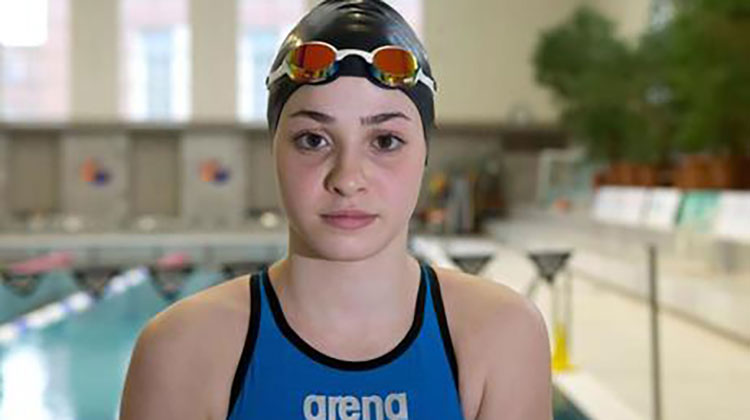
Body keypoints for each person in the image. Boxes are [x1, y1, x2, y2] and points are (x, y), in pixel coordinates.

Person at [119, 1, 551, 419]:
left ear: (424, 153)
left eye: (385, 141)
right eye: (313, 140)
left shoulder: (502, 337)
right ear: (273, 151)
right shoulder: (182, 352)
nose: (347, 178)